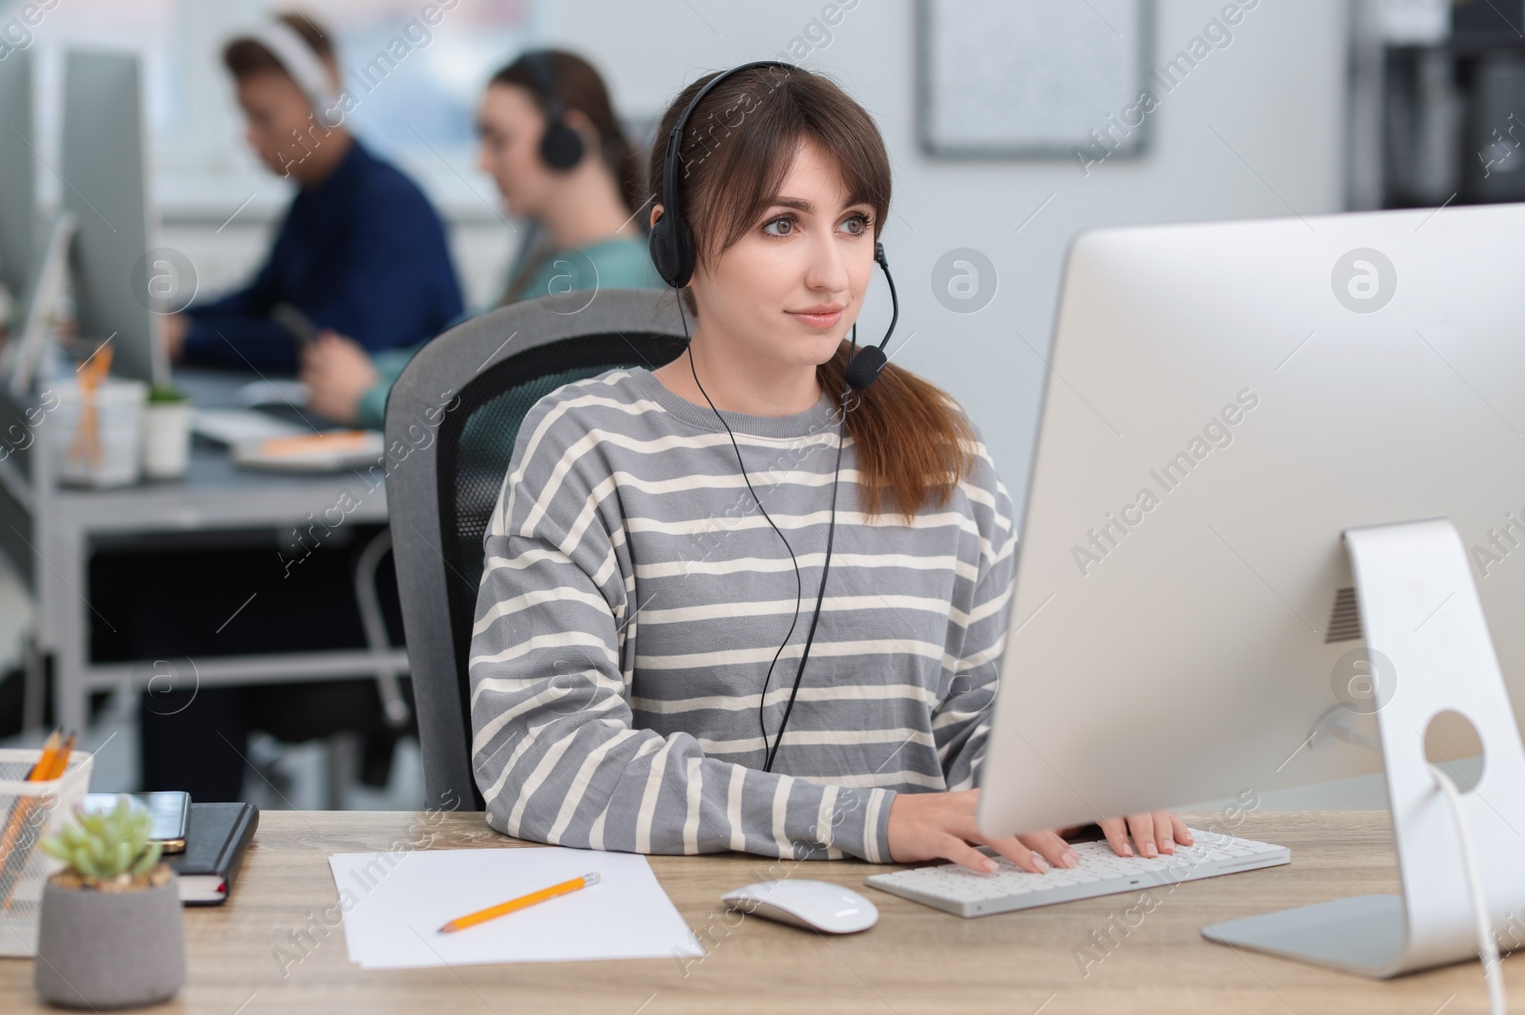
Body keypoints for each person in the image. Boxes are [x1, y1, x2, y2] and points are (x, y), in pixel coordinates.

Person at [467, 63, 1191, 872]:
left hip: (929, 933)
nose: (833, 274)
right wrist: (863, 820)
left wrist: (1067, 781)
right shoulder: (586, 444)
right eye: (781, 224)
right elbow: (540, 759)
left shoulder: (941, 446)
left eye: (853, 223)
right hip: (682, 945)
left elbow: (979, 721)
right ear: (675, 242)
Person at [301, 49, 666, 427]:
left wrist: (368, 399)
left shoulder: (618, 281)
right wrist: (370, 369)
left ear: (567, 140)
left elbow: (510, 426)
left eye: (499, 139)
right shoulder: (554, 260)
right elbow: (470, 346)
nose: (482, 162)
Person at [167, 12, 462, 374]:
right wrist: (168, 320)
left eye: (263, 117)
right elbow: (263, 302)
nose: (248, 137)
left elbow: (333, 342)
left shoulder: (389, 204)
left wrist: (191, 339)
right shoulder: (314, 194)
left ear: (323, 101)